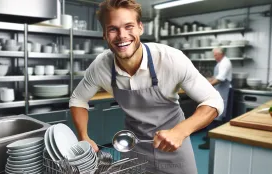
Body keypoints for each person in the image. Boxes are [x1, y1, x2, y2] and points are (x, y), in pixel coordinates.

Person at [69, 0, 224, 173]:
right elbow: (78, 99)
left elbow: (213, 100)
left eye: (129, 26)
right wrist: (83, 136)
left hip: (175, 147)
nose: (122, 35)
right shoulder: (101, 66)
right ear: (104, 34)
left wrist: (180, 131)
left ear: (140, 28)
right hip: (132, 147)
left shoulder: (171, 59)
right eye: (113, 29)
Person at [199, 47, 233, 149]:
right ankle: (209, 136)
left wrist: (208, 85)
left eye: (215, 55)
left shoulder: (225, 63)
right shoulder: (220, 62)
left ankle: (211, 142)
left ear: (220, 54)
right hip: (218, 91)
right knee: (214, 114)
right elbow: (215, 77)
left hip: (224, 91)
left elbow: (220, 78)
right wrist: (208, 81)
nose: (214, 57)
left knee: (216, 115)